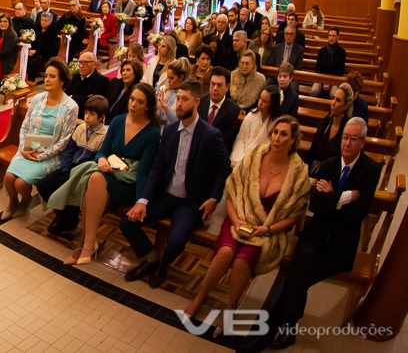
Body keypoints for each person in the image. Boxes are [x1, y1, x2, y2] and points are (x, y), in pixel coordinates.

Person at [246, 118, 379, 351]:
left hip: (341, 245)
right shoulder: (328, 165)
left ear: (363, 142)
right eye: (344, 137)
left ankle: (271, 332)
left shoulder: (370, 170)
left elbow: (360, 212)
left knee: (298, 277)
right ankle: (283, 330)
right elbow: (316, 205)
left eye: (353, 139)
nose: (347, 143)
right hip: (315, 235)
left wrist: (332, 198)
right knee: (303, 265)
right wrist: (346, 197)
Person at [184, 116, 310, 336]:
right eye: (275, 132)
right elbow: (232, 191)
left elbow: (293, 216)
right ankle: (200, 296)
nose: (277, 138)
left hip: (267, 230)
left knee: (243, 261)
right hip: (238, 219)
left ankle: (230, 309)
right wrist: (235, 220)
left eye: (283, 134)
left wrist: (267, 230)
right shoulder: (255, 156)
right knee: (225, 252)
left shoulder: (298, 173)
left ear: (293, 140)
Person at [121, 79, 231, 288]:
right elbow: (158, 167)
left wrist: (213, 198)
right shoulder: (170, 131)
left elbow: (223, 168)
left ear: (196, 102)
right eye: (178, 98)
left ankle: (164, 264)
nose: (178, 104)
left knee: (176, 240)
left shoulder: (210, 135)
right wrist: (143, 200)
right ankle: (150, 258)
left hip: (190, 201)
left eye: (184, 99)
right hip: (166, 195)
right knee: (128, 222)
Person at [51, 83, 161, 265]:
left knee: (93, 185)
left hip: (128, 184)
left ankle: (84, 245)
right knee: (94, 180)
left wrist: (139, 202)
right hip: (109, 175)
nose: (133, 105)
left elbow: (143, 172)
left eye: (140, 102)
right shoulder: (118, 121)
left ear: (148, 106)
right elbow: (103, 152)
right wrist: (101, 159)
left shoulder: (152, 133)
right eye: (132, 99)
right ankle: (87, 245)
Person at [2, 58, 78, 219]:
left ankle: (26, 201)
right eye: (46, 76)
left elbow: (65, 139)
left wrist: (43, 155)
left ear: (62, 81)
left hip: (50, 156)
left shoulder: (71, 106)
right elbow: (25, 126)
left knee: (21, 183)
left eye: (52, 76)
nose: (47, 80)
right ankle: (13, 201)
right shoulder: (37, 99)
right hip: (28, 150)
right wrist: (23, 149)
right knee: (9, 177)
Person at [39, 95, 110, 235]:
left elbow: (95, 160)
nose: (87, 117)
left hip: (82, 175)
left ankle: (67, 218)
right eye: (86, 112)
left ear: (102, 117)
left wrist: (74, 174)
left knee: (70, 191)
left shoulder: (105, 135)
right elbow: (69, 151)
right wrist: (65, 169)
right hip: (69, 169)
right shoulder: (81, 128)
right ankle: (65, 216)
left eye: (92, 114)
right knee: (43, 185)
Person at [307, 82, 354, 174]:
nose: (333, 103)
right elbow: (312, 150)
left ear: (346, 106)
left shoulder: (347, 129)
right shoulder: (325, 122)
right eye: (333, 98)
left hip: (333, 175)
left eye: (338, 100)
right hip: (315, 170)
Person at [230, 84, 282, 166]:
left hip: (261, 163)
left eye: (265, 101)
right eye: (260, 98)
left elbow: (270, 149)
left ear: (272, 105)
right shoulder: (251, 116)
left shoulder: (276, 124)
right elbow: (240, 139)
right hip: (242, 158)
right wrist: (240, 159)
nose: (260, 103)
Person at [198, 67, 243, 155]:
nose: (215, 88)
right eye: (213, 84)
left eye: (219, 85)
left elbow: (225, 140)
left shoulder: (233, 110)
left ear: (227, 87)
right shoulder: (200, 101)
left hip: (216, 153)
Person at [309, 27, 346, 98]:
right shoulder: (322, 51)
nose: (331, 38)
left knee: (334, 94)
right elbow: (318, 69)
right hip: (321, 79)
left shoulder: (342, 52)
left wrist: (330, 82)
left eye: (333, 36)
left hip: (334, 81)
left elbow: (340, 72)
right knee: (314, 91)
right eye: (330, 35)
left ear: (337, 37)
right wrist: (324, 81)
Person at [28, 12, 60, 80]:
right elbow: (32, 41)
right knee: (25, 58)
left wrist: (36, 51)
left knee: (33, 62)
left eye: (45, 21)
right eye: (42, 20)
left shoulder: (53, 32)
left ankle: (31, 80)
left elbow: (50, 48)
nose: (43, 22)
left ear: (50, 22)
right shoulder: (36, 28)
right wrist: (30, 50)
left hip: (45, 55)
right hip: (34, 52)